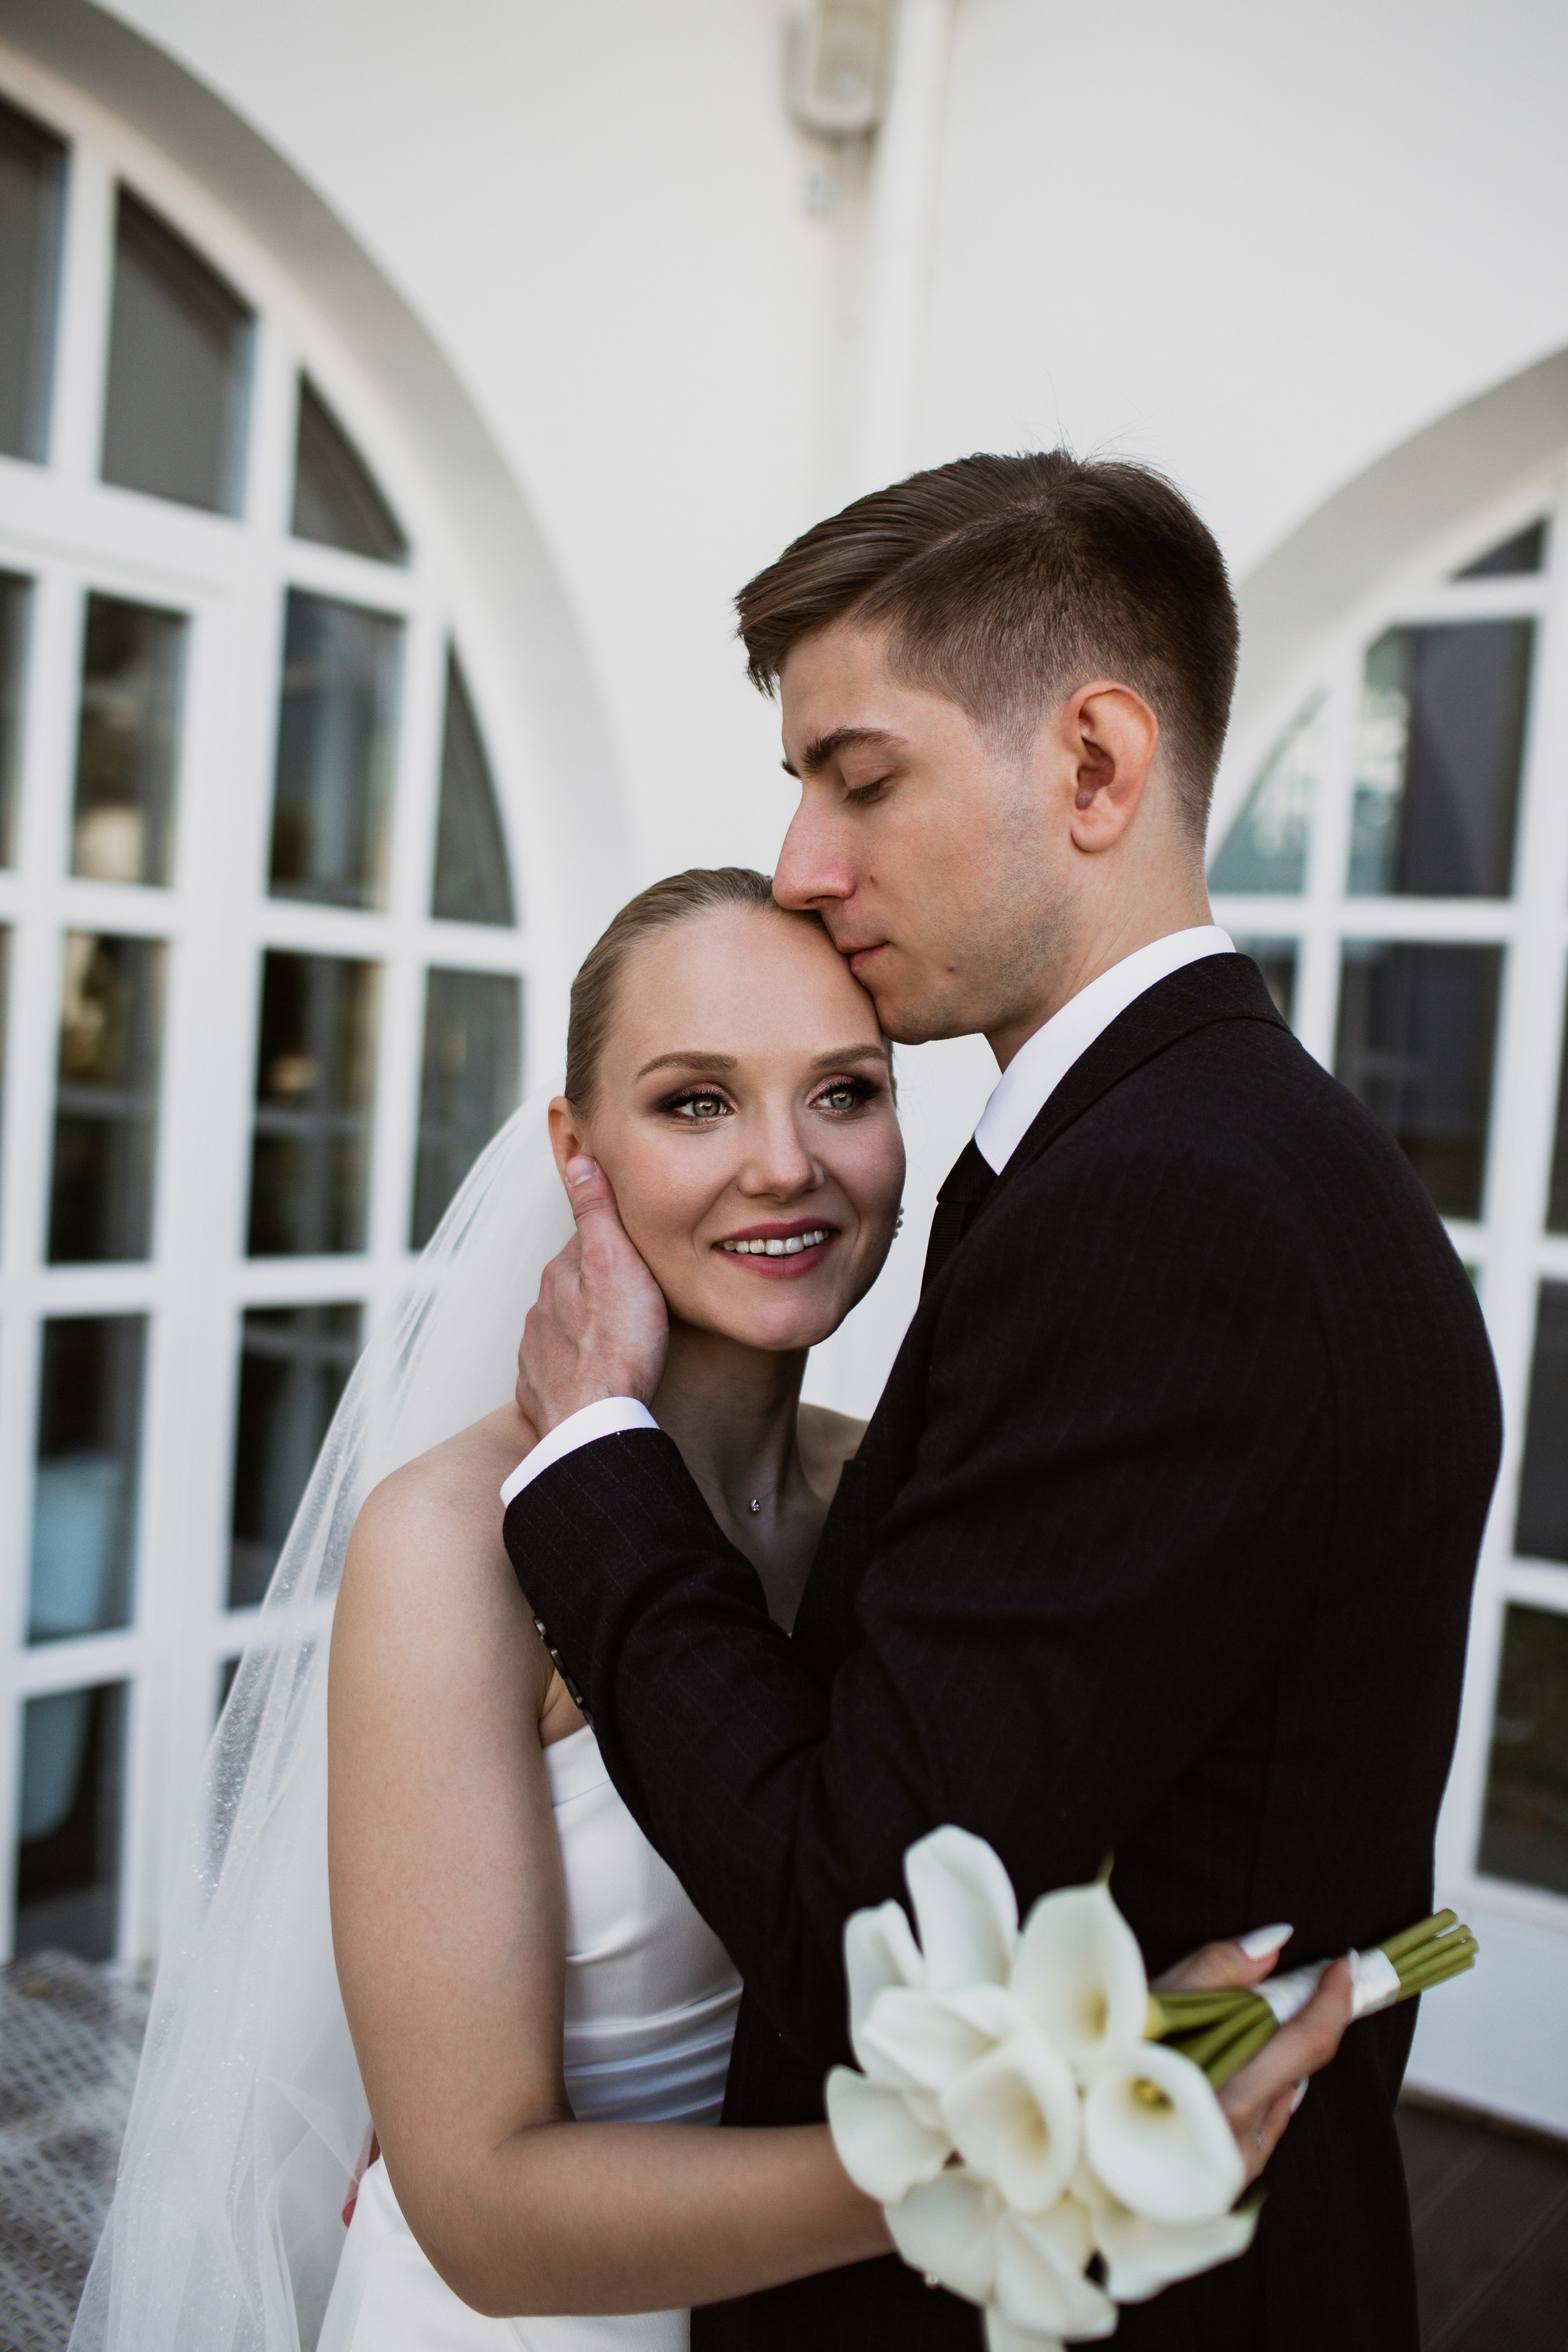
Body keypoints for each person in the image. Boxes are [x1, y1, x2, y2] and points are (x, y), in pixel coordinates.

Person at [506, 454, 1503, 2351]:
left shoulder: (1173, 1211)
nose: (804, 862)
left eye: (860, 779)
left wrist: (591, 1466)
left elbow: (866, 1935)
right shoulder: (1226, 1153)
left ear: (1097, 767)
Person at [73, 865, 1342, 2352]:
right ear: (576, 1149)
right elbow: (478, 2208)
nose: (784, 1166)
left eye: (842, 1093)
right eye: (695, 1103)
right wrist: (1001, 2155)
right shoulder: (452, 1544)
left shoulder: (893, 1493)